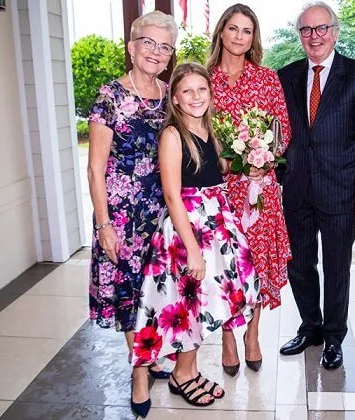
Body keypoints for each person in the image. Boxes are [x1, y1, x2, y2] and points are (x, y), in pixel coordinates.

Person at [130, 63, 260, 416]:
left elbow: (214, 171)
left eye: (201, 89)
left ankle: (187, 369)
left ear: (210, 93)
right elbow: (173, 195)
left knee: (204, 303)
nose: (196, 97)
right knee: (187, 303)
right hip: (187, 228)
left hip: (216, 221)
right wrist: (192, 250)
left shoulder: (209, 130)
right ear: (174, 97)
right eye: (187, 91)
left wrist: (249, 152)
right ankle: (182, 373)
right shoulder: (172, 135)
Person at [277, 1, 355, 369]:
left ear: (335, 31)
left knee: (337, 267)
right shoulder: (285, 76)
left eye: (322, 28)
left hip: (342, 190)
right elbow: (278, 136)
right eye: (306, 30)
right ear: (300, 36)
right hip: (297, 189)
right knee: (299, 265)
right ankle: (310, 327)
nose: (314, 36)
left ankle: (335, 337)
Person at [86, 10, 177, 417]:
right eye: (148, 43)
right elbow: (94, 167)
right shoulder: (111, 97)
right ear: (132, 46)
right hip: (122, 216)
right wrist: (104, 223)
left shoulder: (169, 93)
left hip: (163, 211)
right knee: (130, 295)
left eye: (165, 46)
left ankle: (152, 353)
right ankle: (139, 372)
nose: (156, 52)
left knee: (156, 291)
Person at [207, 3, 292, 376]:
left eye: (247, 31)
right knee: (228, 266)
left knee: (257, 265)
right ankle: (228, 337)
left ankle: (252, 334)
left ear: (253, 37)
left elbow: (282, 129)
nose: (240, 37)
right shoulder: (204, 79)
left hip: (261, 187)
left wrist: (265, 156)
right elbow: (195, 134)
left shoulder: (267, 78)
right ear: (221, 32)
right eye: (234, 29)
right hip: (221, 189)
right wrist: (226, 161)